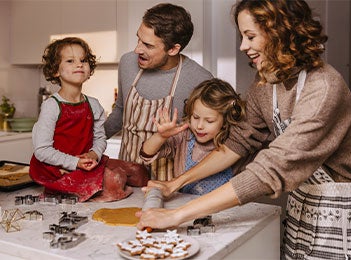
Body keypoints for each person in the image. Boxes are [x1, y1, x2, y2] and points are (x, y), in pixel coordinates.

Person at [136, 1, 351, 259]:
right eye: (242, 36)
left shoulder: (324, 88)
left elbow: (271, 168)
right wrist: (176, 184)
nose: (243, 46)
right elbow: (236, 144)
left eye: (250, 36)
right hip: (303, 204)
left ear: (281, 32)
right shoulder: (266, 83)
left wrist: (177, 215)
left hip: (343, 211)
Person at [29, 37, 149, 203]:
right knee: (115, 179)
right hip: (59, 166)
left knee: (138, 171)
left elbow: (100, 138)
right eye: (70, 61)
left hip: (86, 162)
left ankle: (100, 183)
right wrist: (75, 162)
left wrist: (94, 154)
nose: (79, 64)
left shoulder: (93, 104)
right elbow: (42, 150)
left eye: (83, 60)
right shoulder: (52, 106)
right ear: (56, 71)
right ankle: (94, 191)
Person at [104, 3, 213, 181]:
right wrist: (89, 146)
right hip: (126, 174)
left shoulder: (200, 79)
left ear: (173, 49)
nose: (137, 49)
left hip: (168, 180)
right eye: (138, 39)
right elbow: (119, 113)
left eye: (148, 45)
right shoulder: (127, 64)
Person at [140, 78, 246, 195]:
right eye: (195, 117)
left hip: (225, 212)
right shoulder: (184, 137)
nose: (199, 126)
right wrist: (161, 136)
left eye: (209, 121)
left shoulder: (235, 143)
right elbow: (146, 154)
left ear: (226, 121)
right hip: (185, 208)